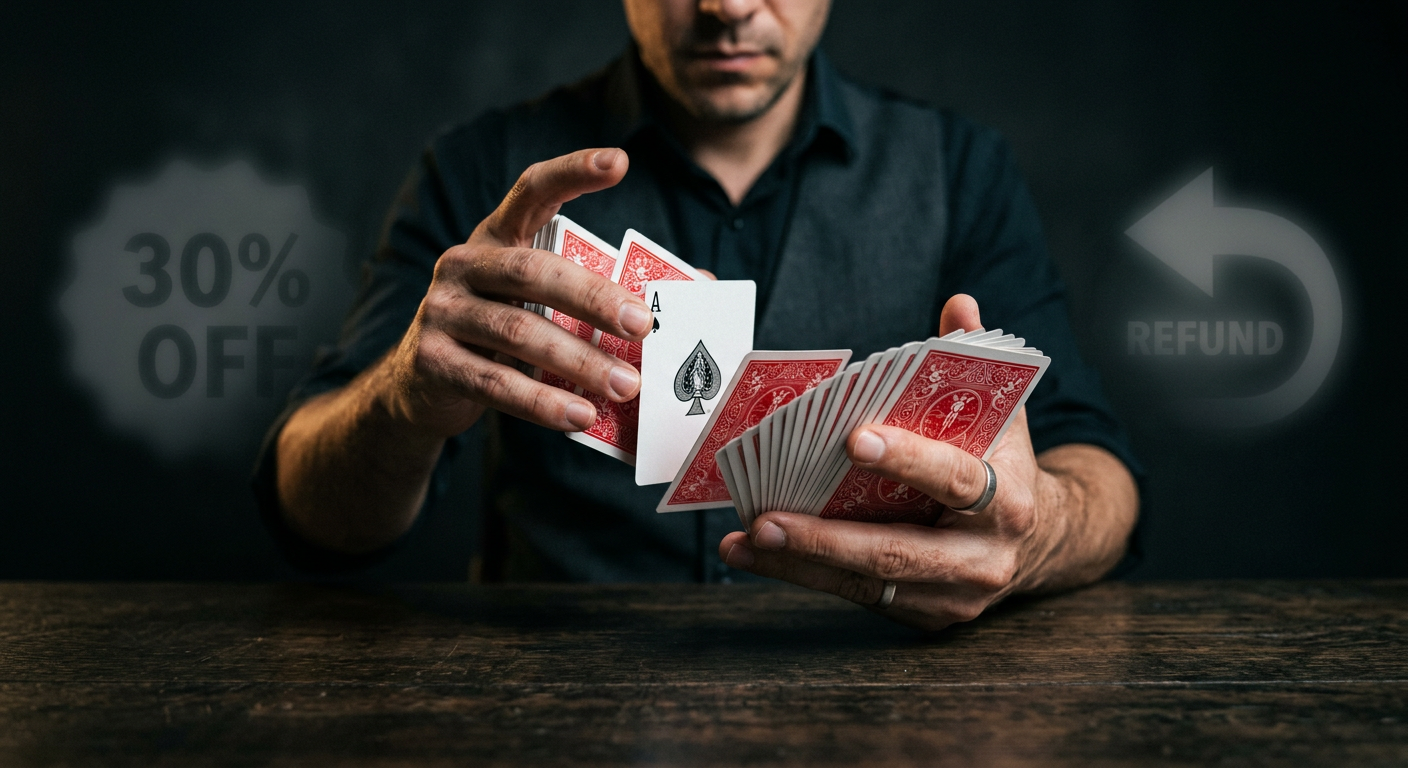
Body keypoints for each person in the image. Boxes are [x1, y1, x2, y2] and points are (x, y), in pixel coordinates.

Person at [254, 0, 1142, 631]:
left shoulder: (960, 171)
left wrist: (1032, 536)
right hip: (550, 708)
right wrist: (403, 400)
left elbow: (1093, 468)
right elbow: (312, 516)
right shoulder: (483, 167)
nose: (727, 7)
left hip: (864, 706)